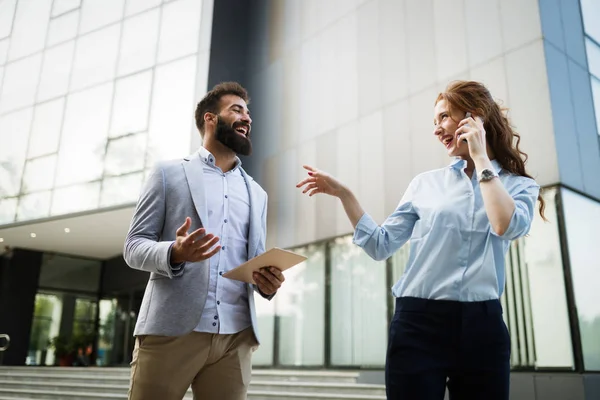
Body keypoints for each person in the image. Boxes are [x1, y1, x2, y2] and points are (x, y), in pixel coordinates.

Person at [297, 80, 544, 400]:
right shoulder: (425, 184)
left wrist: (481, 158)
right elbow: (379, 245)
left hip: (482, 327)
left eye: (444, 117)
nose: (437, 129)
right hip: (418, 323)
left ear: (475, 117)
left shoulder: (519, 186)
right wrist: (345, 194)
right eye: (435, 121)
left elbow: (503, 225)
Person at [124, 82, 285, 400]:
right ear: (210, 119)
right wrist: (175, 251)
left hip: (235, 336)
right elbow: (134, 246)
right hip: (171, 331)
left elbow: (253, 260)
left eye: (248, 112)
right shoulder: (168, 175)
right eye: (237, 109)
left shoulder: (257, 193)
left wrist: (265, 283)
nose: (247, 118)